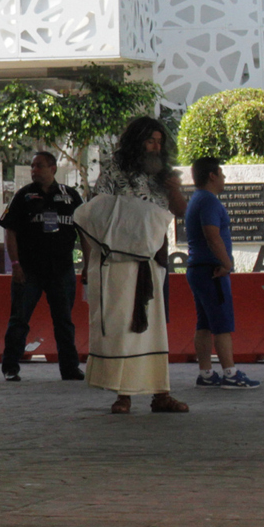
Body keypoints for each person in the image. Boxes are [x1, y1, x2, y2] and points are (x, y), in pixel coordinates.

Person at [78, 116, 189, 415]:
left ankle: (160, 394)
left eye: (159, 142)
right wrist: (88, 258)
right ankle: (123, 395)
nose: (155, 147)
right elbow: (94, 213)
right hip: (116, 261)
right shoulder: (115, 170)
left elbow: (180, 212)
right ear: (137, 141)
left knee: (155, 329)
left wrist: (175, 189)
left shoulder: (163, 175)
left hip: (153, 260)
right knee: (122, 327)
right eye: (150, 140)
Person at [0, 152, 85, 382]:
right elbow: (10, 231)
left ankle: (70, 368)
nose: (34, 170)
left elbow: (85, 232)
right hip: (29, 271)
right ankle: (10, 367)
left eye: (39, 166)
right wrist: (15, 264)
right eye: (32, 166)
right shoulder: (24, 196)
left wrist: (89, 264)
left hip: (62, 269)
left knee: (64, 321)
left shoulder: (70, 196)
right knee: (19, 319)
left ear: (53, 168)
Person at [186, 158, 258, 389]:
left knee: (205, 324)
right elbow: (212, 234)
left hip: (198, 269)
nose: (225, 179)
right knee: (222, 324)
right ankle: (230, 374)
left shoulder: (196, 199)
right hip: (212, 271)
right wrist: (227, 263)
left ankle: (206, 373)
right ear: (213, 175)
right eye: (222, 173)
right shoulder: (209, 202)